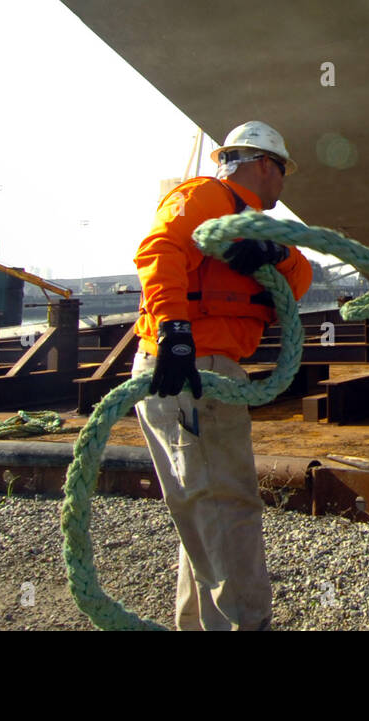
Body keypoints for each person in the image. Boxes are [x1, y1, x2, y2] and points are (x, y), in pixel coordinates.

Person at [132, 120, 313, 630]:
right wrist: (174, 329)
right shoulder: (208, 197)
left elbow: (299, 280)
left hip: (208, 372)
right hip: (192, 371)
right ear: (263, 164)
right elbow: (160, 250)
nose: (283, 183)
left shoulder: (253, 221)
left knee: (204, 510)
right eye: (282, 171)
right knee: (229, 509)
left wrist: (271, 251)